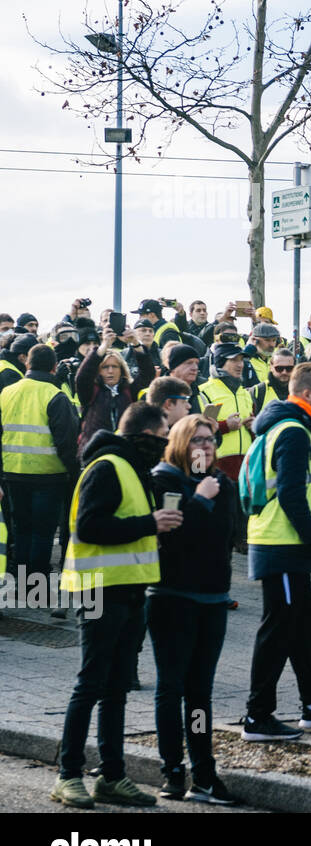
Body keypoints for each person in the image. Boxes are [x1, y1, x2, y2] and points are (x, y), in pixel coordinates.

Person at [51, 402, 182, 809]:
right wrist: (150, 524)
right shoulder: (107, 466)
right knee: (91, 684)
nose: (164, 445)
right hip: (100, 590)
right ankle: (68, 775)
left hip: (128, 589)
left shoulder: (132, 467)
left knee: (116, 689)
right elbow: (88, 526)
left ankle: (112, 776)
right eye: (162, 437)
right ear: (143, 436)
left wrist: (153, 531)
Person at [241, 362, 311, 742]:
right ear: (307, 394)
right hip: (281, 543)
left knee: (302, 622)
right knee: (280, 627)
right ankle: (258, 716)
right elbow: (290, 494)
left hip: (283, 543)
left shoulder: (292, 427)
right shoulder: (293, 432)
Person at [148, 415, 241, 804]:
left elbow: (229, 533)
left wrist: (208, 498)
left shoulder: (222, 482)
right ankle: (173, 770)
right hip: (172, 598)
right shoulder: (165, 480)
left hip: (212, 598)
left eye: (211, 440)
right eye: (197, 441)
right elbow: (178, 537)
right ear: (180, 443)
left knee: (199, 693)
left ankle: (204, 772)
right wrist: (200, 499)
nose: (205, 448)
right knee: (171, 688)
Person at [0, 343, 80, 579]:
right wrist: (74, 474)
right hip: (49, 475)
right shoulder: (56, 395)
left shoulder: (7, 392)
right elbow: (67, 442)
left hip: (13, 472)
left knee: (22, 529)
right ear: (55, 367)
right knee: (43, 533)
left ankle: (22, 580)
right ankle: (37, 584)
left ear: (27, 363)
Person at [76, 328, 156, 452]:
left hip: (125, 451)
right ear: (98, 370)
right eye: (105, 367)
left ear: (121, 369)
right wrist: (103, 347)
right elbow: (82, 377)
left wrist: (136, 343)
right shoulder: (91, 391)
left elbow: (148, 374)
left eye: (115, 366)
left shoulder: (129, 390)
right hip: (95, 452)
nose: (110, 371)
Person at [197, 343, 255, 482]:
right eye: (234, 360)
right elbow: (198, 431)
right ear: (220, 362)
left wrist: (253, 426)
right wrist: (225, 426)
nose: (240, 364)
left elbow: (252, 433)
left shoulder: (245, 393)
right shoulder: (205, 391)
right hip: (216, 467)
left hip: (245, 467)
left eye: (241, 360)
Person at [250, 348, 295, 415]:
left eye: (289, 368)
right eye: (279, 368)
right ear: (271, 367)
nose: (284, 372)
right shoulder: (258, 391)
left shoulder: (302, 391)